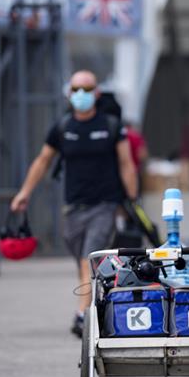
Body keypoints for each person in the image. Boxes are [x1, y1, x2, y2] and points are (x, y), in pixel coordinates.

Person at [11, 70, 138, 337]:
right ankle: (99, 305)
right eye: (76, 89)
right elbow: (43, 161)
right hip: (73, 209)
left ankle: (82, 315)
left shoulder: (112, 126)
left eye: (87, 89)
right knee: (84, 263)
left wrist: (131, 200)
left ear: (97, 93)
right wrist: (25, 193)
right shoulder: (63, 127)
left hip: (104, 205)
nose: (81, 95)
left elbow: (126, 163)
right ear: (69, 93)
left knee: (87, 260)